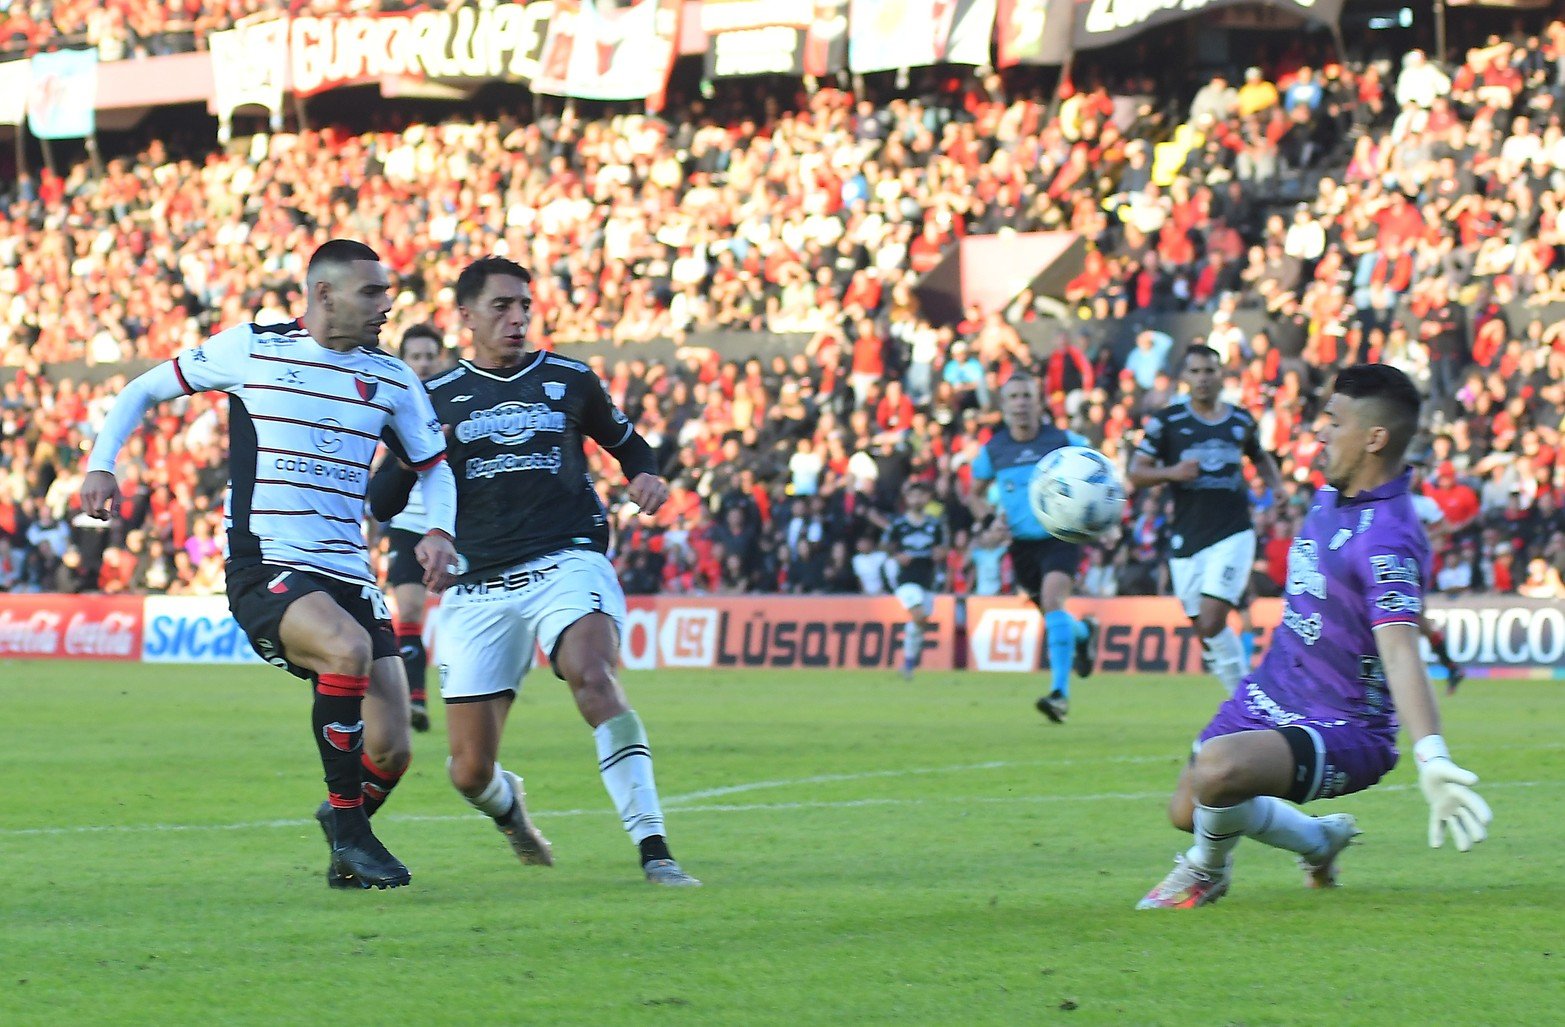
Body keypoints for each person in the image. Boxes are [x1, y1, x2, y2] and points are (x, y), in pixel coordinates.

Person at [79, 239, 458, 890]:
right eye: (371, 293)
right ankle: (349, 827)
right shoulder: (251, 348)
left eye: (387, 293)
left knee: (392, 748)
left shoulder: (392, 377)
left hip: (349, 574)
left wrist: (439, 530)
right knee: (343, 651)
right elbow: (143, 390)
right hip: (267, 566)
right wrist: (102, 461)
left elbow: (434, 467)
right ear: (323, 294)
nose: (385, 306)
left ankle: (345, 834)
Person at [370, 256, 699, 886]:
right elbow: (383, 501)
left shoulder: (571, 379)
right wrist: (411, 456)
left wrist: (645, 474)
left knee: (592, 676)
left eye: (524, 304)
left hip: (566, 559)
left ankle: (654, 848)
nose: (517, 316)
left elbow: (629, 444)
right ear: (465, 316)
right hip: (476, 584)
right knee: (468, 771)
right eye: (501, 306)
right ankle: (512, 813)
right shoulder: (432, 399)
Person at [1136, 364, 1492, 910]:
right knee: (1187, 809)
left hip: (1345, 725)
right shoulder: (1332, 494)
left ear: (1374, 438)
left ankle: (1207, 872)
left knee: (1218, 771)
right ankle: (1318, 839)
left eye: (1333, 420)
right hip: (1272, 691)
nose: (1319, 430)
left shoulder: (1389, 538)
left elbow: (1399, 649)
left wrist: (1431, 755)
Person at [1128, 345, 1283, 694]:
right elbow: (1136, 472)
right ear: (1184, 377)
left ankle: (1245, 702)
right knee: (1202, 627)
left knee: (1213, 621)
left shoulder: (1240, 420)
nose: (1202, 379)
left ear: (1221, 375)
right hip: (1186, 536)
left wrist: (1278, 488)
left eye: (1209, 371)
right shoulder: (1167, 422)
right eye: (1195, 371)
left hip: (1232, 532)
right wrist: (1173, 471)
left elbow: (1260, 457)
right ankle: (1246, 696)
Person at [968, 373, 1098, 723]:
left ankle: (1059, 695)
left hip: (1061, 536)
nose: (1021, 403)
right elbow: (974, 494)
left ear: (1039, 401)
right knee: (1051, 612)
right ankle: (1084, 633)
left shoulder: (1064, 440)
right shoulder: (993, 450)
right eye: (1014, 397)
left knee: (1053, 600)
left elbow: (1098, 472)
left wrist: (1099, 515)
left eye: (1027, 396)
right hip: (1021, 545)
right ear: (1004, 404)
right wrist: (987, 522)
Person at [372, 323, 451, 732]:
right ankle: (415, 699)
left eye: (428, 356)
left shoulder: (458, 399)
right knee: (411, 609)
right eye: (414, 357)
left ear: (442, 358)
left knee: (462, 614)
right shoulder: (391, 400)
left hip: (452, 521)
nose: (422, 364)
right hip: (406, 520)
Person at [1407, 460, 1466, 694]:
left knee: (1413, 617)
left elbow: (1445, 527)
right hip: (1395, 564)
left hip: (1412, 566)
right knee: (1417, 619)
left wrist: (1423, 538)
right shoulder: (1393, 502)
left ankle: (1449, 666)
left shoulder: (1424, 504)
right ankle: (1450, 665)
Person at [883, 479, 947, 679]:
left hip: (927, 578)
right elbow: (886, 545)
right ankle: (909, 662)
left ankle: (909, 664)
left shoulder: (934, 524)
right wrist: (897, 556)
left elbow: (942, 548)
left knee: (920, 622)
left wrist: (940, 554)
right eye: (913, 495)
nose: (917, 499)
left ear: (926, 499)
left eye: (921, 495)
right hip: (906, 579)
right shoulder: (899, 524)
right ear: (907, 499)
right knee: (919, 615)